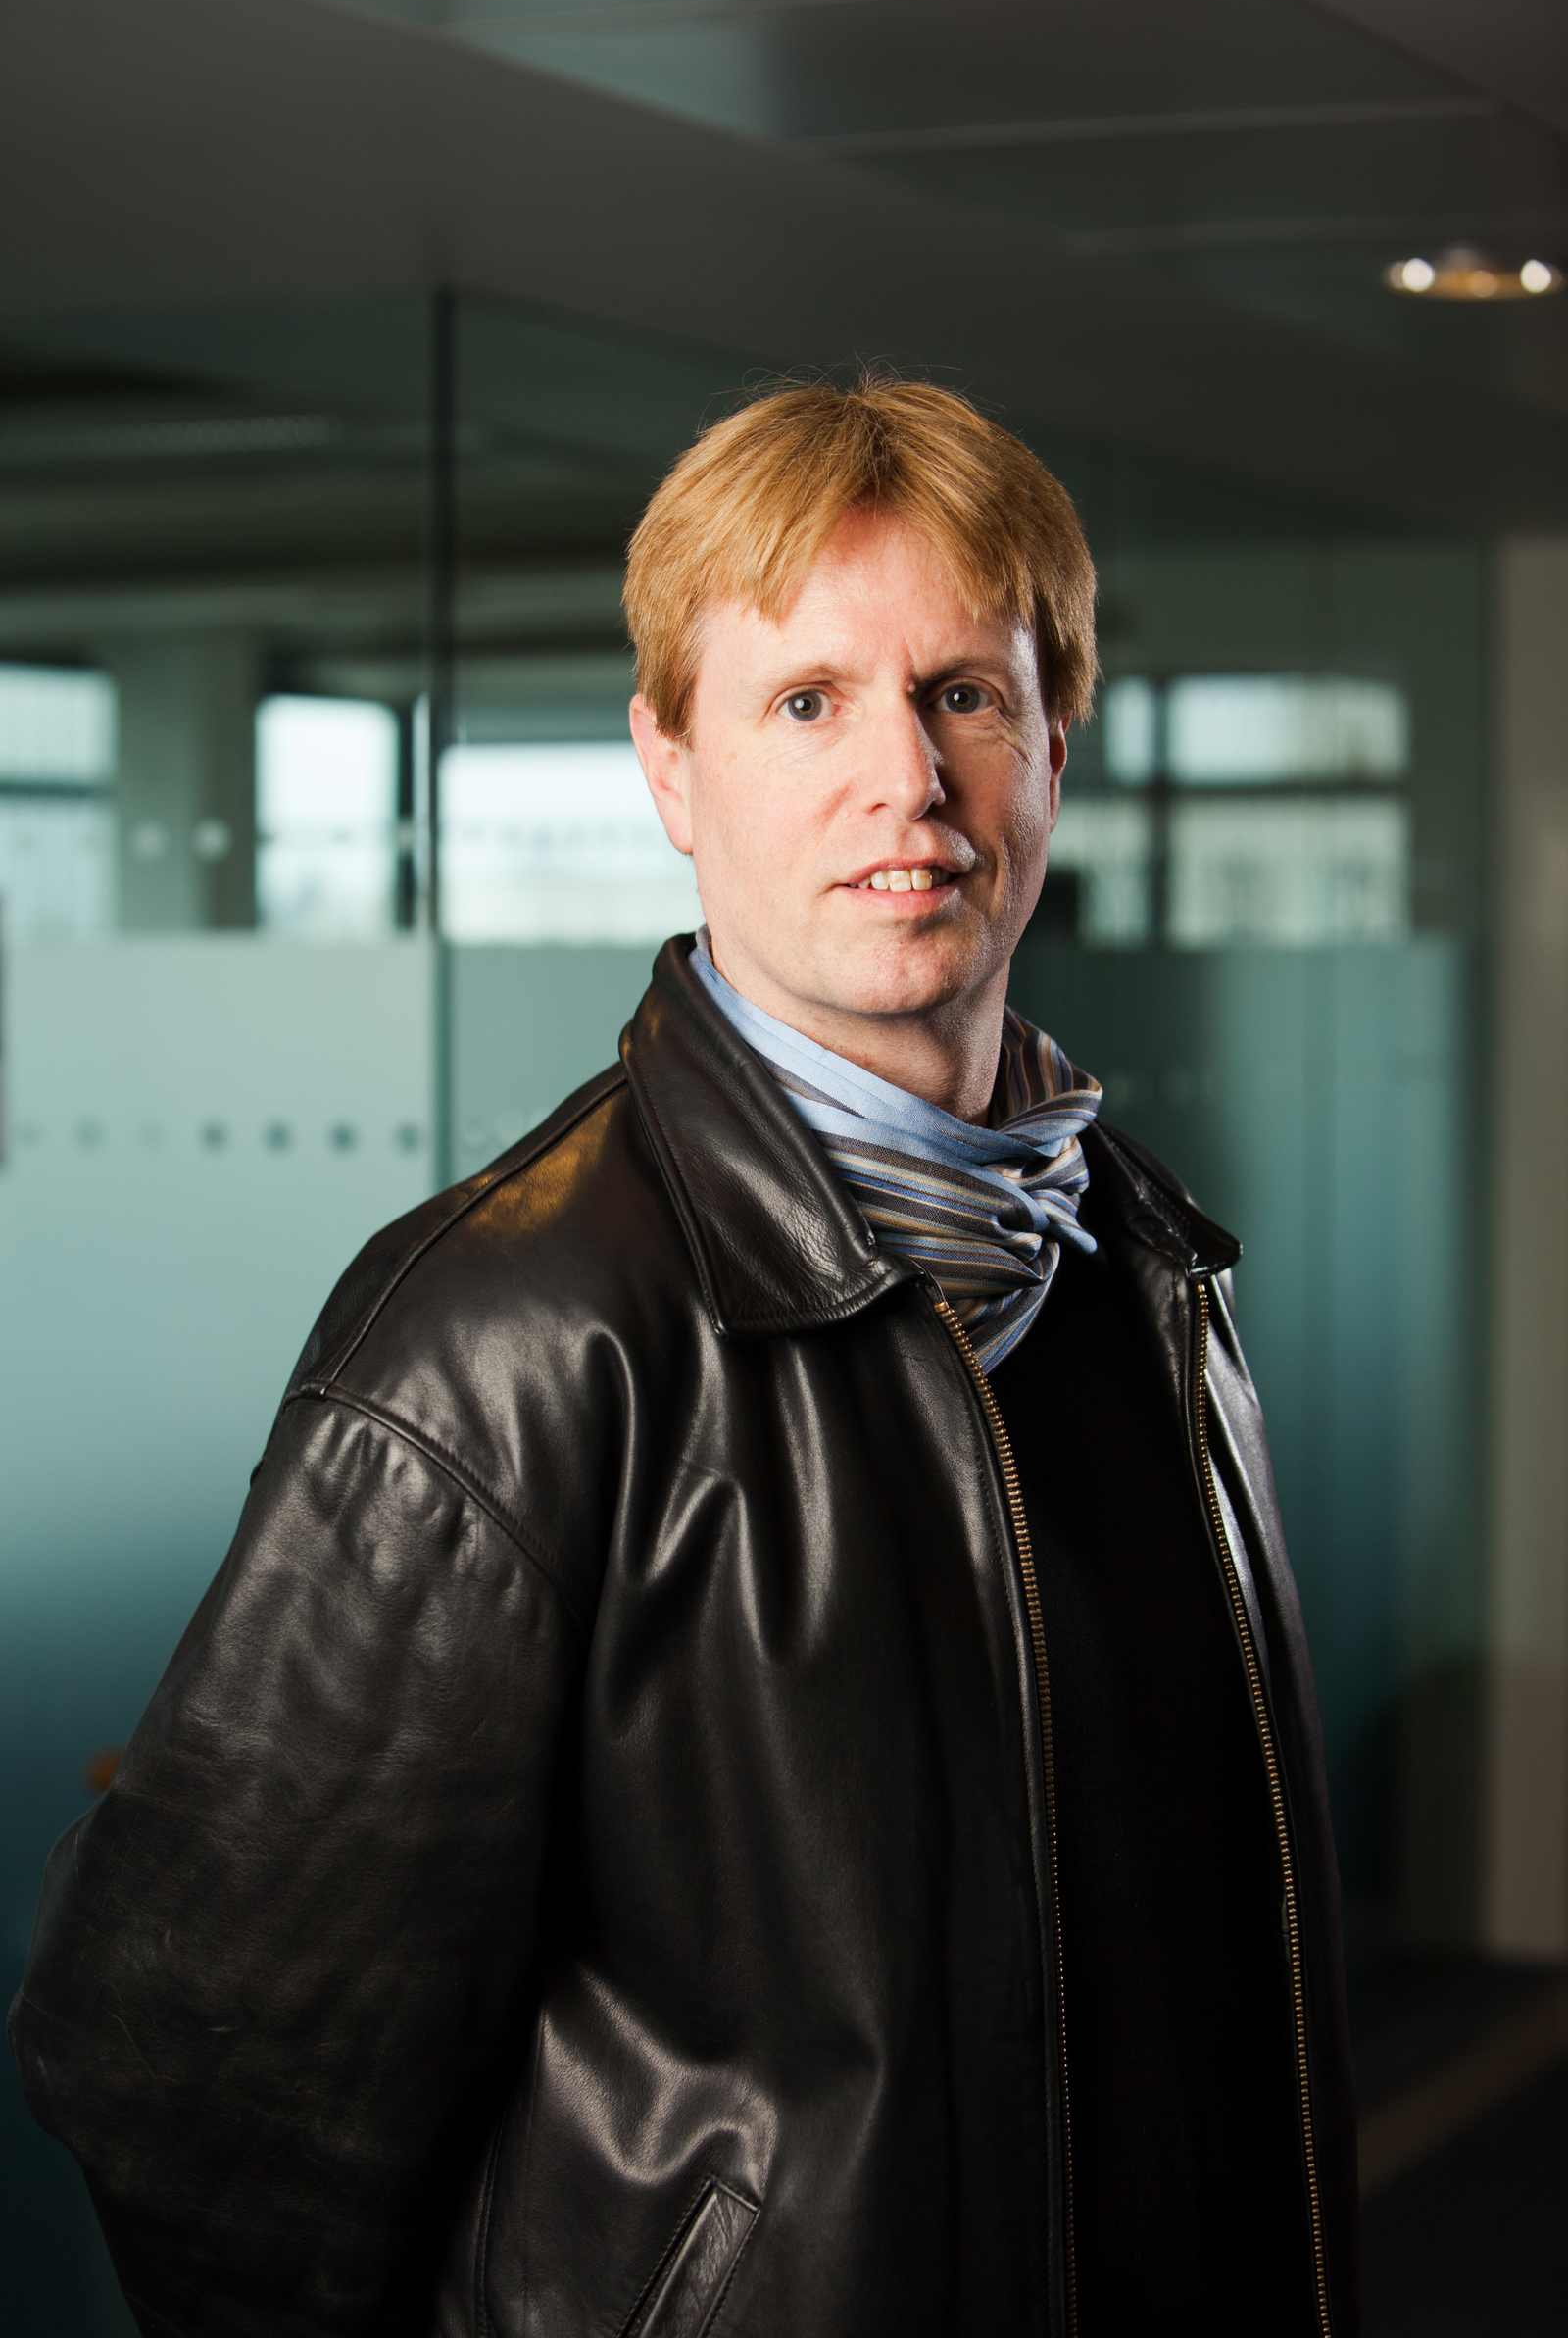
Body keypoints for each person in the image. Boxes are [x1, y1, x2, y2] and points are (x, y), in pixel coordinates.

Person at [11, 378, 1358, 2338]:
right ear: (669, 766)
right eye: (804, 701)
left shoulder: (1140, 1266)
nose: (905, 780)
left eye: (962, 696)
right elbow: (187, 2072)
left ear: (1052, 751)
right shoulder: (515, 1333)